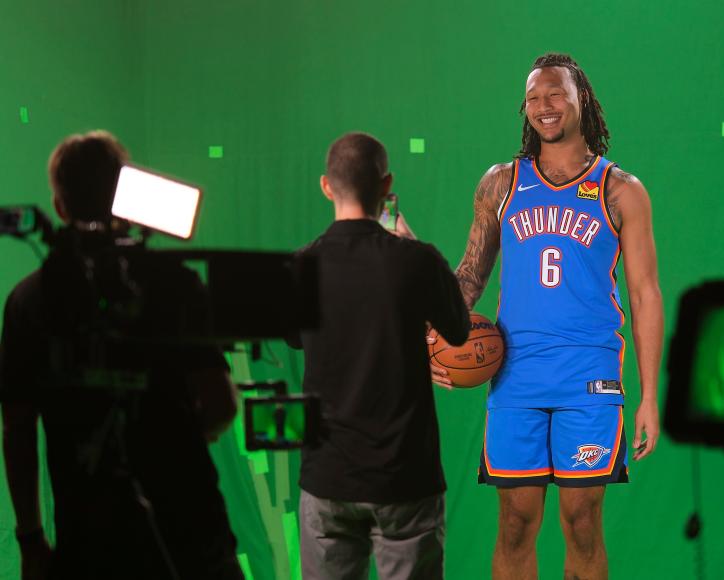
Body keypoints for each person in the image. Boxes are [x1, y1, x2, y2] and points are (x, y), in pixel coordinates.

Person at [430, 53, 664, 579]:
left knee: (582, 520)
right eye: (534, 97)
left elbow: (646, 294)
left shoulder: (620, 189)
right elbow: (470, 275)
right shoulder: (502, 183)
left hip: (590, 377)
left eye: (555, 93)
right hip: (516, 376)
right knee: (515, 521)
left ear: (581, 98)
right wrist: (434, 341)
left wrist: (649, 395)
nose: (544, 106)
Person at [0, 131, 243, 579]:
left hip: (88, 543)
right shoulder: (176, 284)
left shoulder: (26, 302)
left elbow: (17, 427)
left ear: (59, 206)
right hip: (191, 538)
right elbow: (221, 406)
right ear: (125, 195)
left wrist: (31, 539)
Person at [290, 132, 470, 580]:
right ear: (387, 185)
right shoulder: (417, 261)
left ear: (326, 186)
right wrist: (408, 239)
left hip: (326, 476)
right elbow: (459, 331)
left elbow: (295, 338)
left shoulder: (301, 267)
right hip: (404, 479)